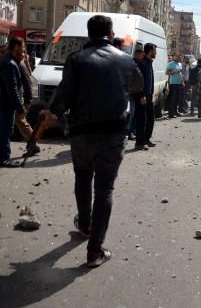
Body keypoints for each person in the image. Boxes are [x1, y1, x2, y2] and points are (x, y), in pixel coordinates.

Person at [43, 15, 143, 268]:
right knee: (104, 189)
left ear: (89, 34)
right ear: (110, 33)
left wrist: (52, 112)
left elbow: (64, 93)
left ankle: (85, 225)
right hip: (113, 134)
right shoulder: (125, 59)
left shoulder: (76, 59)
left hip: (81, 133)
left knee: (83, 178)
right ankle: (94, 250)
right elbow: (137, 86)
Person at [0, 36, 26, 167]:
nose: (24, 51)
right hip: (6, 103)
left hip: (3, 102)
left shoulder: (9, 62)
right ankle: (4, 158)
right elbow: (12, 89)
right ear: (16, 47)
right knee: (6, 130)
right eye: (22, 48)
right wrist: (20, 107)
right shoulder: (10, 64)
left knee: (1, 129)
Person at [134, 43, 157, 150]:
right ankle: (139, 142)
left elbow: (150, 81)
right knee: (141, 120)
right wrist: (141, 95)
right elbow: (138, 81)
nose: (156, 52)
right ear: (150, 51)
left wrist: (151, 94)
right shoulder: (141, 63)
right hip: (141, 97)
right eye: (154, 50)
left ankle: (146, 139)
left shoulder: (149, 63)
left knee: (150, 119)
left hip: (148, 96)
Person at [128, 48, 145, 140]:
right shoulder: (133, 64)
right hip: (132, 93)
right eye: (141, 55)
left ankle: (133, 131)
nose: (142, 56)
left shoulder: (140, 63)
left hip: (136, 93)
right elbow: (137, 80)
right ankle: (129, 132)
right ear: (137, 54)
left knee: (134, 113)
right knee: (131, 113)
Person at [165, 54, 183, 118]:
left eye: (180, 57)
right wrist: (174, 72)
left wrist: (182, 82)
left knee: (177, 99)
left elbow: (180, 73)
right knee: (172, 99)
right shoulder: (171, 64)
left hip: (179, 83)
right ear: (175, 57)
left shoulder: (180, 64)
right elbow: (166, 73)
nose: (179, 58)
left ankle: (176, 111)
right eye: (178, 57)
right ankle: (171, 113)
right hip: (173, 84)